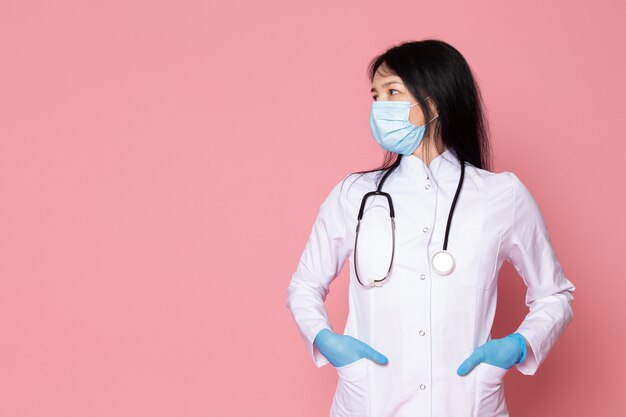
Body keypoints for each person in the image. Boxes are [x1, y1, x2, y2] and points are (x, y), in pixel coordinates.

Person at [285, 39, 575, 417]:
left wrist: (520, 345)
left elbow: (555, 294)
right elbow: (303, 286)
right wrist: (326, 340)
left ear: (434, 101)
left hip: (467, 402)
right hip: (372, 400)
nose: (378, 108)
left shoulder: (502, 195)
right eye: (375, 96)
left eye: (392, 92)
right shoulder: (353, 194)